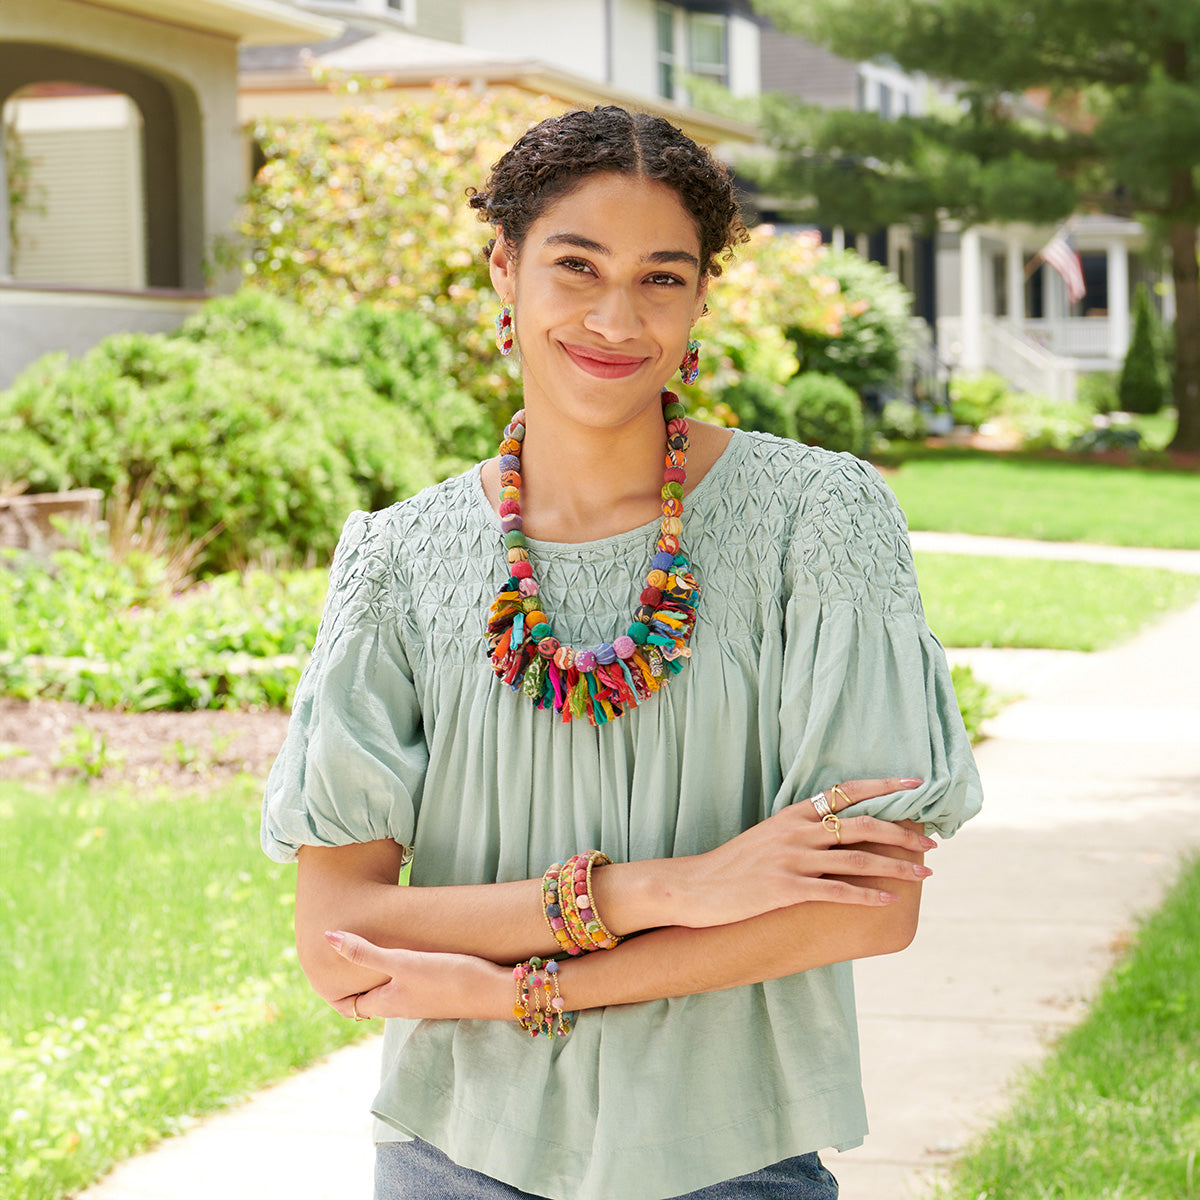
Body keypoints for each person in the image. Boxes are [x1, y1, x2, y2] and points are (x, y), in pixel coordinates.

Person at [261, 105, 982, 1200]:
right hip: (452, 1157)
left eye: (661, 277)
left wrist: (511, 990)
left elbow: (865, 906)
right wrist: (676, 889)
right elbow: (340, 936)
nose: (615, 316)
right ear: (504, 268)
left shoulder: (818, 519)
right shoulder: (400, 559)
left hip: (728, 1157)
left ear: (699, 301)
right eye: (576, 265)